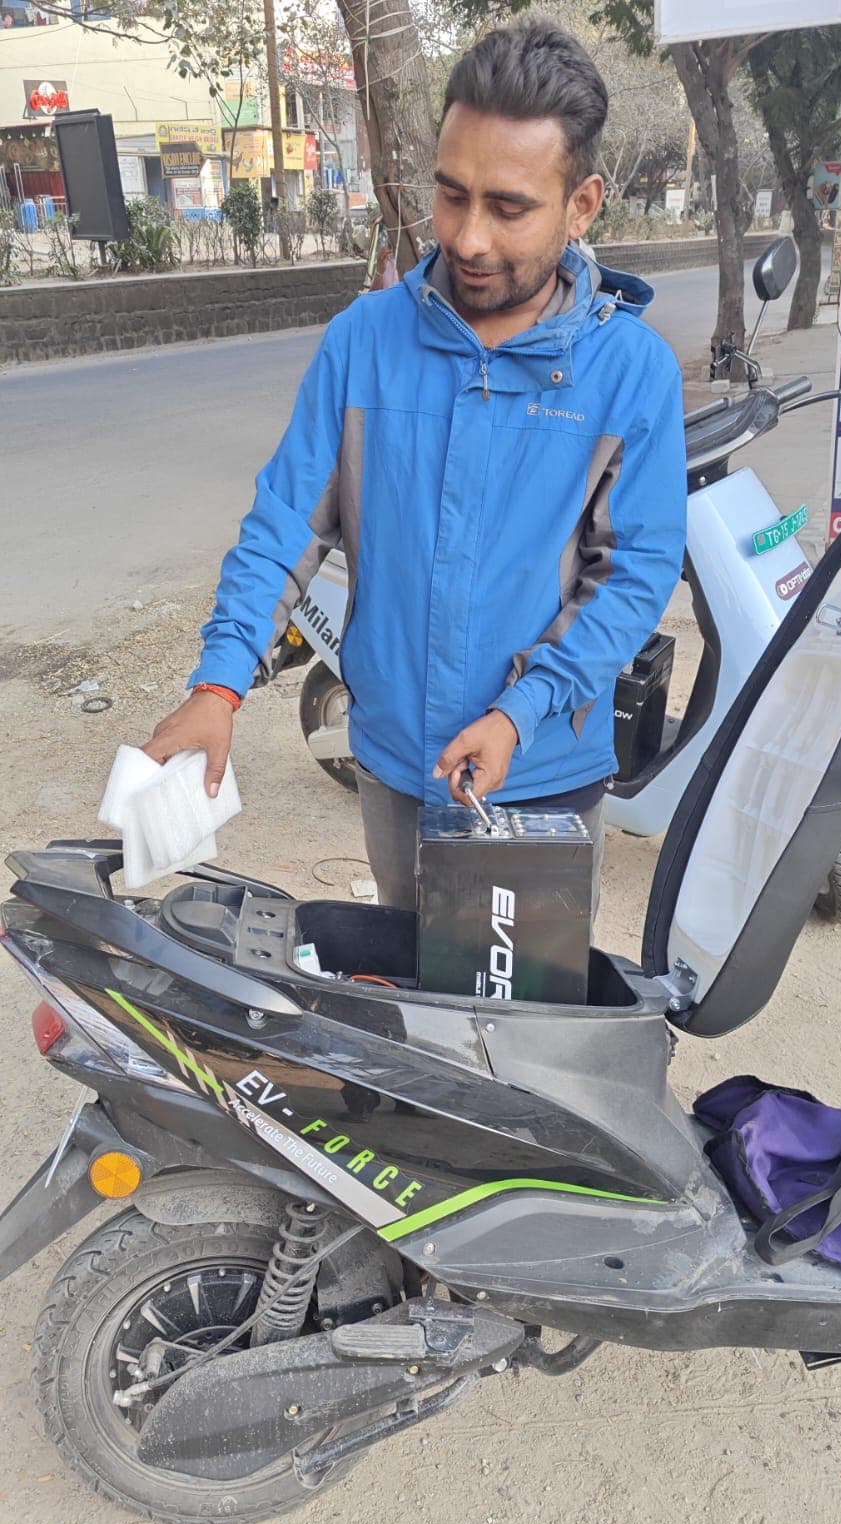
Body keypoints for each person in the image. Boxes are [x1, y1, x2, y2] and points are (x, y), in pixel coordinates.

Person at [144, 22, 687, 913]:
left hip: (543, 771)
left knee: (521, 1025)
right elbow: (285, 523)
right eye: (450, 194)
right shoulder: (363, 342)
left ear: (581, 204)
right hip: (396, 765)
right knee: (411, 996)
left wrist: (522, 712)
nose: (469, 238)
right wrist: (218, 682)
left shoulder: (629, 372)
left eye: (508, 207)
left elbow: (629, 579)